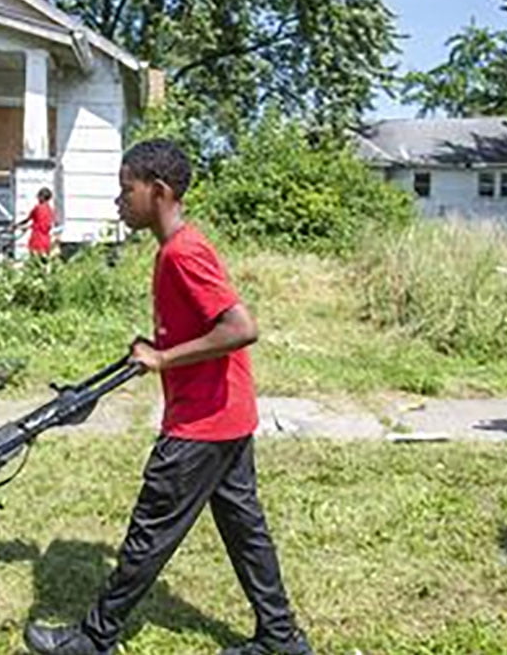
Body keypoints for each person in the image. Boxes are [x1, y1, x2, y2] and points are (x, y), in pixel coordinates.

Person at [23, 139, 311, 655]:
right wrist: (159, 347)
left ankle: (94, 637)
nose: (119, 200)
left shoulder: (183, 252)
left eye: (125, 189)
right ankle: (281, 636)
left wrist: (162, 359)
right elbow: (206, 326)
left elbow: (241, 327)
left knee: (149, 533)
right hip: (227, 414)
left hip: (202, 424)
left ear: (158, 191)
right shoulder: (176, 248)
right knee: (246, 532)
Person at [16, 187, 56, 257]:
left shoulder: (38, 208)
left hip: (37, 238)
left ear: (42, 197)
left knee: (35, 256)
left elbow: (28, 219)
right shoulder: (50, 210)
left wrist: (17, 225)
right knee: (44, 259)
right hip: (46, 239)